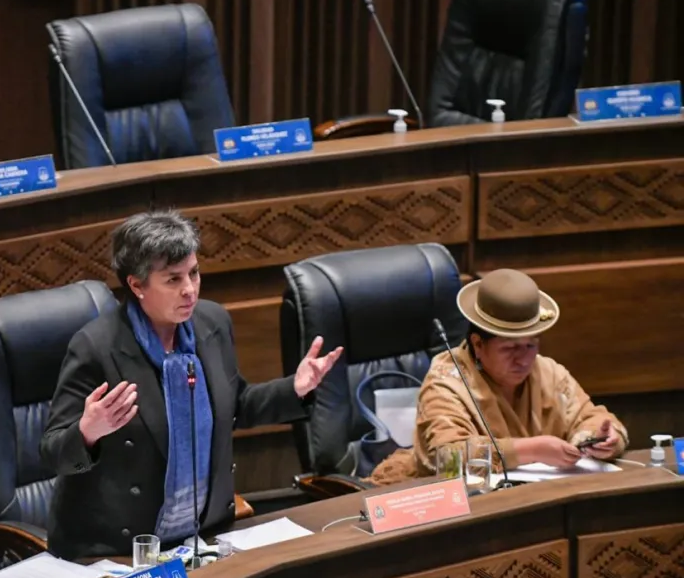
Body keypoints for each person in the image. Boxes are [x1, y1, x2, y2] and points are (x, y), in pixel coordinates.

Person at [40, 210, 343, 559]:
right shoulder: (96, 347)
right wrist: (88, 432)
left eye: (194, 273)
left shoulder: (211, 324)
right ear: (136, 285)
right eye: (172, 280)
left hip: (203, 535)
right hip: (119, 549)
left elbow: (236, 405)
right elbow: (51, 451)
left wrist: (297, 388)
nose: (189, 290)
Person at [370, 268, 628, 485]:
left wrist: (597, 439)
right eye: (510, 348)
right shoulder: (446, 380)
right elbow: (448, 456)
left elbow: (591, 416)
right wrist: (533, 450)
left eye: (530, 345)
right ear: (478, 344)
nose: (524, 359)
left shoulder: (548, 371)